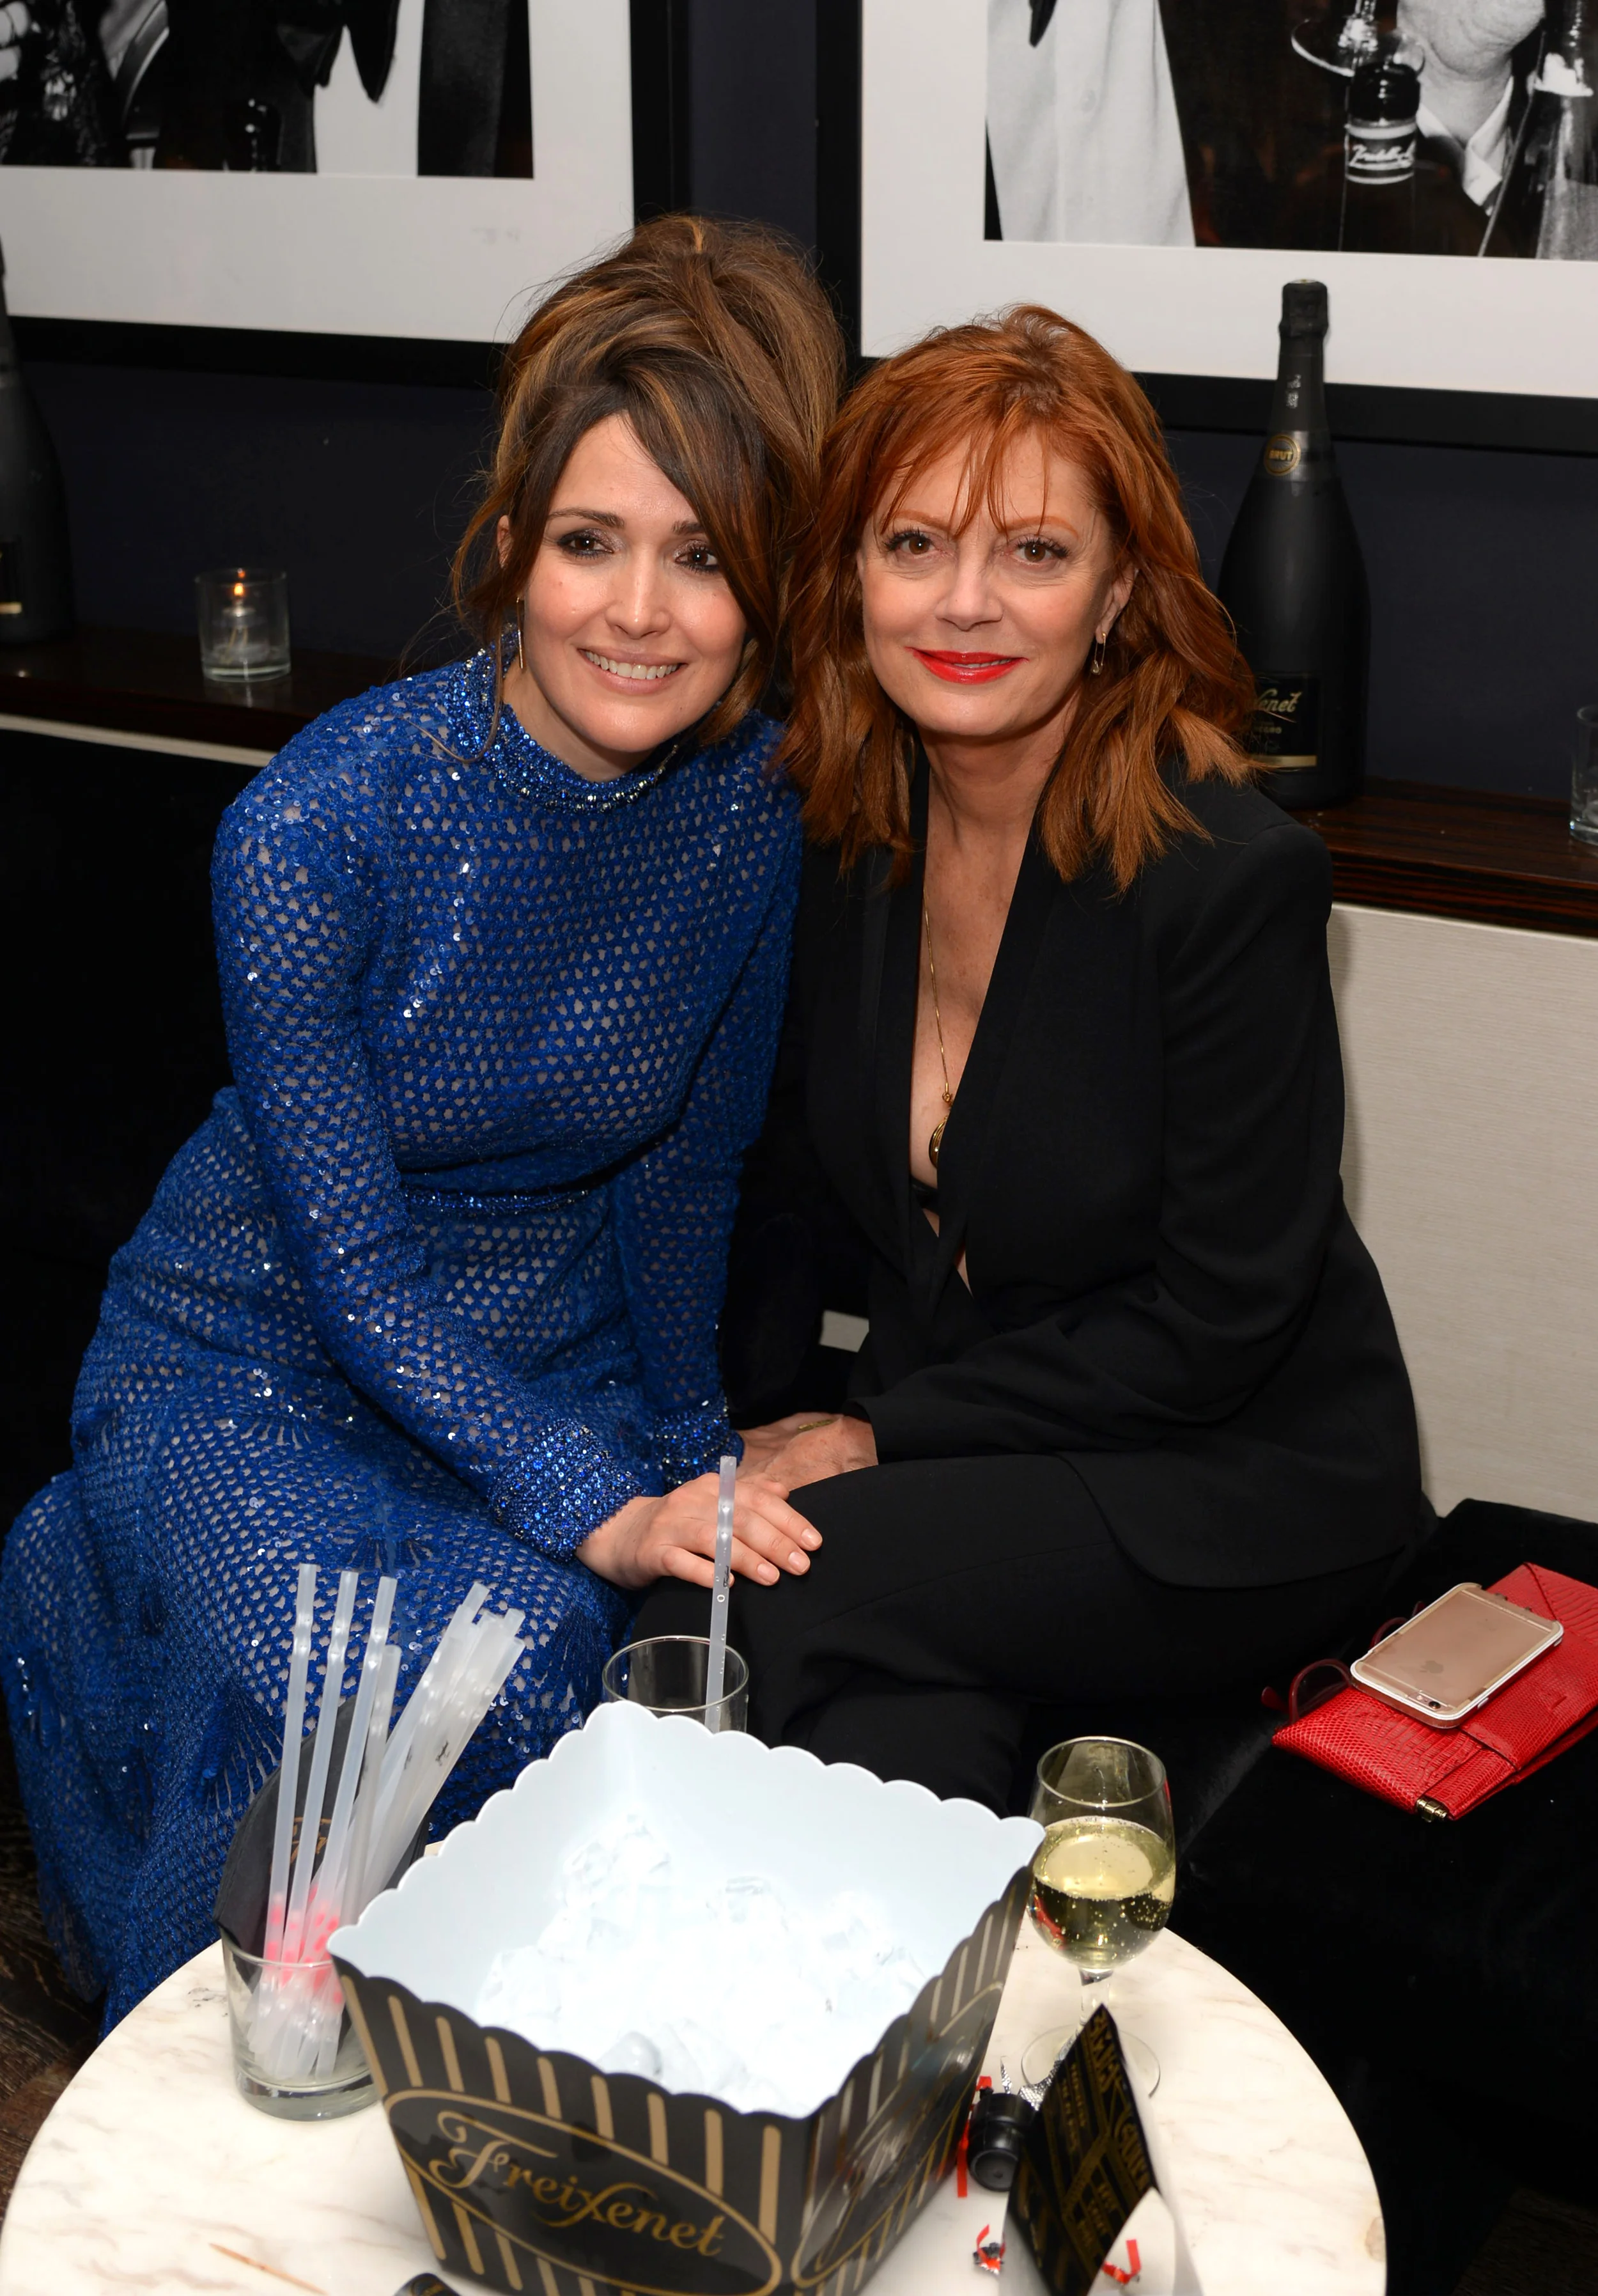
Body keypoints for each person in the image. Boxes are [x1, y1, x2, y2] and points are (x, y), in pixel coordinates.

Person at [1, 214, 844, 2022]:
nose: (638, 612)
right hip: (250, 1358)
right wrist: (587, 1502)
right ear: (511, 546)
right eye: (589, 543)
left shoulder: (749, 812)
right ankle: (275, 2107)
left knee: (695, 1646)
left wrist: (681, 1461)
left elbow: (689, 1175)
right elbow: (353, 1259)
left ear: (768, 586)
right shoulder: (319, 829)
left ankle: (516, 2098)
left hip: (560, 1350)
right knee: (500, 1643)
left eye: (703, 560)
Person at [642, 304, 1427, 1811]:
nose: (966, 603)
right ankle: (924, 2031)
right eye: (915, 543)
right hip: (995, 1452)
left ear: (1119, 590)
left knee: (731, 1603)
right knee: (854, 1689)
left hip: (1230, 1480)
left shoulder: (1227, 878)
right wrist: (687, 1430)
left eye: (1035, 553)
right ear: (852, 576)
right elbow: (785, 1191)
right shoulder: (845, 840)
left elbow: (1216, 1321)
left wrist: (870, 1430)